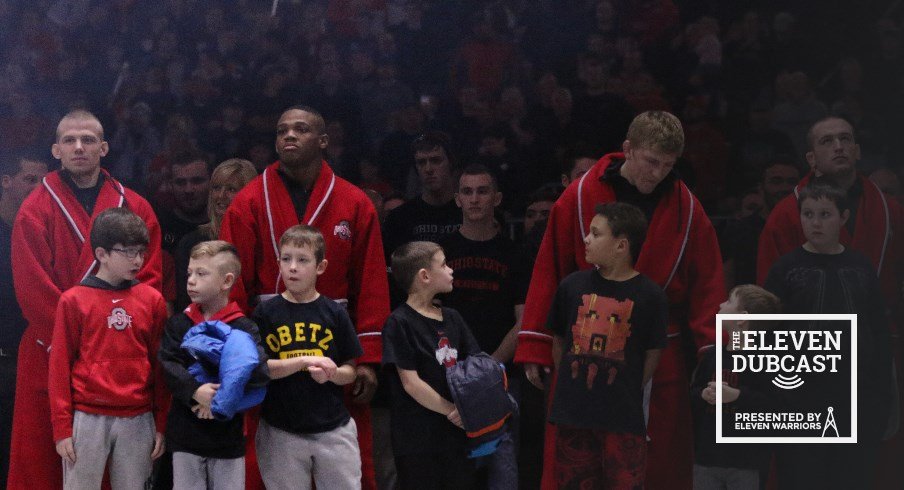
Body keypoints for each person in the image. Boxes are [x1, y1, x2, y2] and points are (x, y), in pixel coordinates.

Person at [515, 110, 725, 489]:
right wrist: (536, 341)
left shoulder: (688, 208)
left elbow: (709, 286)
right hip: (585, 351)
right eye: (650, 161)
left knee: (658, 468)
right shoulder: (577, 196)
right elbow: (550, 268)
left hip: (658, 357)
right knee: (577, 466)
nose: (658, 172)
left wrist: (715, 355)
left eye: (668, 165)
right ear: (627, 150)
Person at [220, 105, 388, 490]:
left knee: (346, 467)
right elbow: (232, 283)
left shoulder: (354, 202)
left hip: (333, 344)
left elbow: (372, 283)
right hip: (270, 341)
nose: (289, 137)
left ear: (324, 141)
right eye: (281, 131)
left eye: (300, 130)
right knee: (267, 465)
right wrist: (239, 354)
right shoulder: (248, 200)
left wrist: (368, 361)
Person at [9, 110, 163, 490]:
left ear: (104, 148)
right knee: (44, 466)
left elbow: (151, 280)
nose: (80, 147)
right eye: (70, 141)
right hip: (52, 349)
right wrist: (77, 340)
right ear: (56, 150)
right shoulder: (34, 209)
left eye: (89, 140)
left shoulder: (136, 205)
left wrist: (107, 332)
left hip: (120, 350)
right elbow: (32, 290)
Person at [763, 180, 893, 489]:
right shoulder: (785, 268)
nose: (815, 222)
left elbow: (879, 333)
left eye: (825, 214)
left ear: (843, 217)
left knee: (851, 476)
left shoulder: (861, 267)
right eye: (808, 214)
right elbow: (765, 334)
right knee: (801, 477)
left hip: (856, 398)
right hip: (800, 399)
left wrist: (878, 398)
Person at [546, 202, 666, 488]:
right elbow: (559, 340)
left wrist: (626, 386)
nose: (586, 239)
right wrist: (570, 380)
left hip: (622, 415)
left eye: (596, 234)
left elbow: (653, 353)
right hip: (573, 413)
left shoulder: (651, 295)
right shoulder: (571, 286)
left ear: (621, 245)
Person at [47, 208, 168, 489]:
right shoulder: (73, 301)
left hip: (138, 416)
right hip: (88, 416)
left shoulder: (152, 300)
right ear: (101, 254)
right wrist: (62, 429)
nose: (137, 260)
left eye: (141, 251)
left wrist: (161, 422)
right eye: (127, 251)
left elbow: (161, 367)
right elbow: (59, 368)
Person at [252, 225, 363, 490]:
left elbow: (351, 370)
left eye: (302, 260)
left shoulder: (334, 313)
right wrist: (304, 361)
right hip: (281, 429)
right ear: (278, 263)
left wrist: (333, 374)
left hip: (333, 428)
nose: (292, 267)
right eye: (286, 259)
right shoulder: (265, 312)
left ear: (320, 266)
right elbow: (262, 368)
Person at [159, 240, 269, 490]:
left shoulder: (244, 327)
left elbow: (258, 374)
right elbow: (168, 365)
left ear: (226, 281)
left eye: (201, 274)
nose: (191, 280)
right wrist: (196, 392)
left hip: (227, 438)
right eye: (189, 273)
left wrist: (220, 398)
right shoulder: (179, 324)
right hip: (185, 436)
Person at [440, 164, 520, 488]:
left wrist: (490, 365)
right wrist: (457, 370)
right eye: (467, 191)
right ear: (457, 198)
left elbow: (525, 319)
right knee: (454, 472)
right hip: (449, 376)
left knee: (503, 470)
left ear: (497, 198)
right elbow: (427, 313)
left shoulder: (514, 253)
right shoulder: (440, 254)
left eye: (483, 191)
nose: (474, 199)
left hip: (501, 376)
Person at [382, 241, 481, 490]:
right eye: (444, 264)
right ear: (425, 276)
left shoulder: (454, 318)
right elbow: (411, 383)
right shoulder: (398, 322)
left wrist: (471, 407)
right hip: (417, 441)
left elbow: (476, 364)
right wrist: (453, 410)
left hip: (458, 436)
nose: (451, 271)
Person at [690, 284, 779, 490]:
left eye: (729, 300)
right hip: (707, 458)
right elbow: (693, 393)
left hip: (746, 463)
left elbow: (773, 405)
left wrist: (737, 396)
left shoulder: (765, 361)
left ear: (742, 319)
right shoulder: (711, 355)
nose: (721, 303)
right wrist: (703, 394)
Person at [0, 148, 48, 488]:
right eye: (30, 180)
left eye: (44, 182)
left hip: (30, 361)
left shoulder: (44, 232)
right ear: (6, 182)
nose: (38, 189)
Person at [174, 158, 257, 311]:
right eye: (216, 188)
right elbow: (184, 302)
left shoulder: (260, 241)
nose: (220, 196)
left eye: (231, 189)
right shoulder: (191, 242)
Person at [721, 160, 800, 288]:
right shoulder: (738, 231)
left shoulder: (811, 228)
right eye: (776, 181)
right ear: (761, 188)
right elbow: (726, 279)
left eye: (792, 182)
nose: (785, 188)